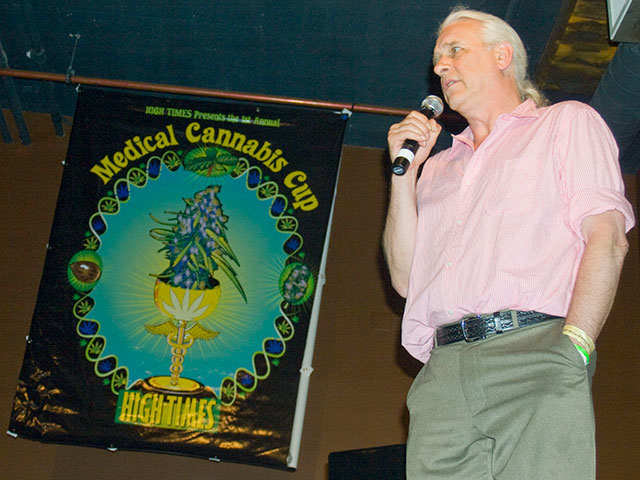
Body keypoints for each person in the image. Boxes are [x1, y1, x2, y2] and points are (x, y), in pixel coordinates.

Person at [383, 7, 635, 480]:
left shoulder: (566, 123)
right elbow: (403, 279)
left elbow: (607, 239)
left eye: (455, 50)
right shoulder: (437, 169)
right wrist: (405, 176)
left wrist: (576, 347)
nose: (441, 66)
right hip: (443, 370)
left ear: (502, 56)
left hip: (534, 350)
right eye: (438, 60)